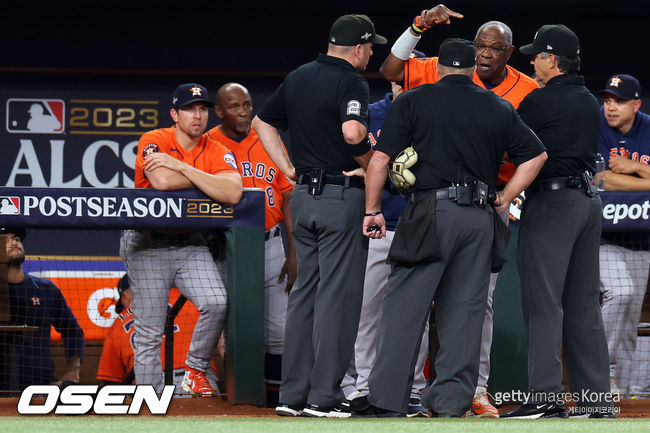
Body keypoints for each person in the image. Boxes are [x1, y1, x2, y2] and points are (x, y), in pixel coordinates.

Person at [353, 38, 547, 418]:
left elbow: (379, 161)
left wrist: (372, 210)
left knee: (404, 307)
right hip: (479, 217)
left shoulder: (413, 99)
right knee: (465, 311)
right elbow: (537, 154)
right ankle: (450, 403)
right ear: (473, 66)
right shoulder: (498, 105)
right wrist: (505, 196)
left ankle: (387, 400)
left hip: (430, 212)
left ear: (439, 66)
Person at [251, 14, 387, 418]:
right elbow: (351, 133)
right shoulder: (351, 81)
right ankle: (323, 397)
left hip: (303, 198)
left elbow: (263, 123)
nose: (370, 53)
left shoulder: (298, 76)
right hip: (339, 198)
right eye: (370, 47)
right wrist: (370, 163)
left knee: (304, 296)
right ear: (359, 48)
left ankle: (292, 397)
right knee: (336, 299)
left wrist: (287, 168)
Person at [503, 24, 615, 418]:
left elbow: (508, 149)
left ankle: (545, 397)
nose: (532, 61)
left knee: (545, 303)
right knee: (584, 305)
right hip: (587, 202)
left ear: (552, 59)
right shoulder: (588, 99)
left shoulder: (540, 100)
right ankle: (597, 401)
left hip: (553, 205)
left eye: (537, 55)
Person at [120, 83, 242, 397]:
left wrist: (179, 166)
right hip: (148, 243)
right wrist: (206, 179)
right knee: (149, 331)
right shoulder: (155, 139)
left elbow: (232, 192)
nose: (197, 115)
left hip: (191, 245)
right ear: (175, 114)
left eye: (202, 108)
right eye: (189, 108)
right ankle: (151, 403)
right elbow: (160, 181)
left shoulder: (216, 148)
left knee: (216, 301)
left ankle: (194, 369)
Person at [342, 79, 429, 418]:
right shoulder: (372, 114)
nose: (407, 83)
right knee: (368, 313)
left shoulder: (431, 114)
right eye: (403, 77)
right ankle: (365, 387)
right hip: (378, 227)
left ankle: (413, 390)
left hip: (417, 227)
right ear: (394, 80)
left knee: (415, 317)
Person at [207, 82, 296, 407]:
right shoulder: (208, 143)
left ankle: (274, 406)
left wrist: (293, 252)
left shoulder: (268, 140)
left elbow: (287, 198)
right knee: (229, 331)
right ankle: (229, 402)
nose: (244, 112)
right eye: (235, 107)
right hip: (223, 247)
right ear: (219, 112)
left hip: (270, 243)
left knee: (280, 332)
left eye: (247, 105)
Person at [596, 74, 650, 394]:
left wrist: (633, 166)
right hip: (604, 235)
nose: (611, 108)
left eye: (618, 101)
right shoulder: (598, 128)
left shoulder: (648, 127)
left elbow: (618, 177)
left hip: (642, 238)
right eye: (607, 101)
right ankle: (603, 375)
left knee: (630, 317)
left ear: (636, 105)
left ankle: (624, 392)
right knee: (623, 293)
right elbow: (600, 181)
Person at [96, 274, 220, 395]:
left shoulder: (117, 326)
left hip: (149, 386)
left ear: (126, 294)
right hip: (196, 378)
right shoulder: (187, 300)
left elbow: (110, 381)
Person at [0, 226, 84, 390]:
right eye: (5, 239)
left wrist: (73, 371)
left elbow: (73, 331)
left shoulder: (46, 289)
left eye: (16, 238)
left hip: (39, 388)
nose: (14, 242)